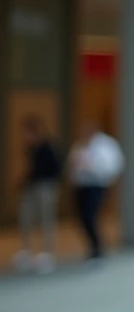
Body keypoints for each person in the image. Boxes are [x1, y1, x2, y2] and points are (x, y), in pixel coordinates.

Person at [68, 121, 125, 263]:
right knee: (82, 217)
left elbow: (112, 166)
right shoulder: (80, 145)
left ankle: (97, 249)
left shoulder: (105, 145)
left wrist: (92, 167)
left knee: (91, 216)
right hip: (81, 185)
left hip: (97, 184)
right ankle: (93, 247)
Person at [15, 115, 62, 274]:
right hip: (32, 187)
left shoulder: (48, 148)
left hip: (45, 186)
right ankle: (26, 251)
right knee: (25, 218)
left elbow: (56, 169)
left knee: (46, 220)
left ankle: (47, 253)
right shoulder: (31, 149)